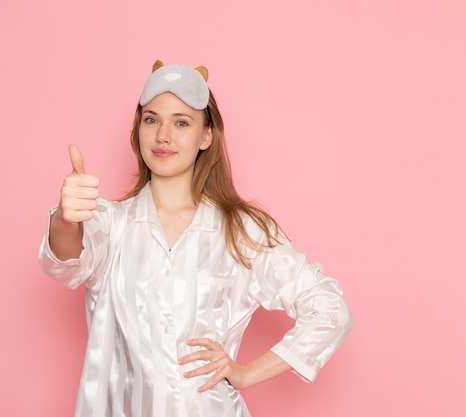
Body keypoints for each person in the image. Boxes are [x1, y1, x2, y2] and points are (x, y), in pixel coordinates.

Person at [38, 60, 354, 417]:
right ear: (138, 130)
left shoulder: (242, 230)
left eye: (182, 122)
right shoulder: (110, 224)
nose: (163, 136)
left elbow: (330, 310)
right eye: (151, 119)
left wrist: (247, 373)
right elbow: (65, 263)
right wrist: (67, 219)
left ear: (206, 136)